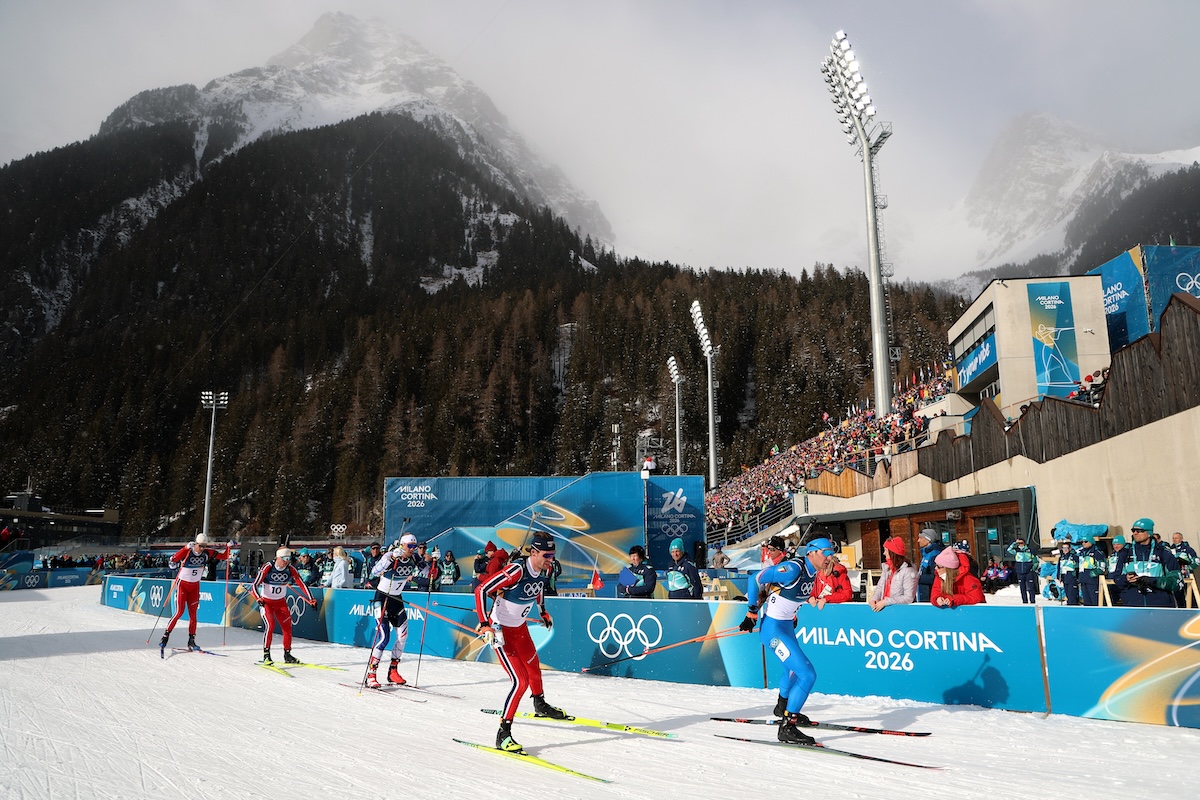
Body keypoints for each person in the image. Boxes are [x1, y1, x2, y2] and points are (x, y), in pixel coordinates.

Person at [738, 537, 838, 745]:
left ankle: (782, 708)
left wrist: (793, 615)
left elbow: (790, 597)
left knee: (792, 671)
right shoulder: (793, 569)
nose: (829, 558)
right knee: (807, 674)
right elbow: (755, 578)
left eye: (831, 554)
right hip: (773, 631)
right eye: (826, 553)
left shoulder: (813, 572)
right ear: (811, 552)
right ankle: (787, 727)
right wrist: (751, 612)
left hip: (785, 627)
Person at [474, 534, 568, 754]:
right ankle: (503, 734)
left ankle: (539, 704)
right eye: (546, 555)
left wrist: (543, 611)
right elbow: (481, 590)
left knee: (534, 668)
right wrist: (485, 624)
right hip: (501, 631)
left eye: (552, 555)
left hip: (520, 628)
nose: (550, 559)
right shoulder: (517, 570)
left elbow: (539, 587)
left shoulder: (544, 568)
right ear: (533, 553)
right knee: (520, 681)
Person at [365, 534, 422, 688]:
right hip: (382, 598)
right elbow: (374, 572)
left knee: (403, 636)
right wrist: (390, 559)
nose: (412, 549)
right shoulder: (390, 555)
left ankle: (393, 671)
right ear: (402, 545)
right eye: (410, 546)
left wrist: (435, 560)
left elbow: (429, 572)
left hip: (396, 600)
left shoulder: (414, 558)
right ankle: (371, 674)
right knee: (384, 638)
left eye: (414, 546)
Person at [159, 534, 232, 651]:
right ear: (195, 544)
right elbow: (173, 559)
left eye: (204, 546)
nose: (202, 548)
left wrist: (229, 547)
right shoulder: (189, 551)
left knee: (193, 615)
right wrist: (185, 548)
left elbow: (224, 556)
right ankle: (165, 636)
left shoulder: (207, 553)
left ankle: (191, 641)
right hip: (183, 585)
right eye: (200, 546)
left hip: (195, 586)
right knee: (179, 612)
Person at [251, 547, 317, 664]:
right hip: (267, 603)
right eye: (284, 558)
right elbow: (255, 585)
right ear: (278, 557)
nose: (286, 561)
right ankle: (266, 655)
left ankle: (287, 654)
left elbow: (301, 584)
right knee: (270, 625)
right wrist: (258, 598)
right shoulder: (268, 567)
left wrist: (311, 599)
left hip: (281, 603)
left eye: (288, 559)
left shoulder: (290, 569)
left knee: (287, 628)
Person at [1109, 518, 1180, 608]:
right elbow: (1116, 578)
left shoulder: (1163, 553)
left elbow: (1177, 581)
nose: (1135, 533)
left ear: (1149, 533)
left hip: (1159, 604)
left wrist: (1153, 581)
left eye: (1139, 531)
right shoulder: (1125, 553)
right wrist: (1126, 578)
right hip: (1133, 604)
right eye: (1133, 530)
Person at [867, 535, 916, 611]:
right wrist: (874, 599)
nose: (884, 553)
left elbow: (908, 598)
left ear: (893, 553)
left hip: (900, 611)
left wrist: (886, 601)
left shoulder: (908, 571)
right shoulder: (887, 568)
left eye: (886, 550)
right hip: (884, 610)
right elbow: (880, 587)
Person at [1076, 535, 1106, 607]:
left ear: (1091, 542)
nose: (1083, 543)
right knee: (1087, 603)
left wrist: (1093, 573)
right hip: (1083, 581)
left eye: (1086, 542)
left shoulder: (1097, 553)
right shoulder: (1081, 553)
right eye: (1082, 542)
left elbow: (1102, 567)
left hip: (1092, 582)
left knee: (1095, 602)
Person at [915, 529, 945, 603]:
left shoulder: (934, 554)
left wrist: (917, 578)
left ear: (928, 540)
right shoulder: (927, 553)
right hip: (924, 592)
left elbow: (935, 577)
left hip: (930, 594)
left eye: (921, 538)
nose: (918, 540)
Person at [1006, 536, 1038, 604]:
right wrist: (1014, 542)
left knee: (1031, 587)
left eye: (1021, 543)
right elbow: (1009, 549)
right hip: (1020, 571)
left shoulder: (1029, 550)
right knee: (1022, 588)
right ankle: (1024, 601)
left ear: (1024, 543)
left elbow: (1035, 560)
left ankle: (1032, 601)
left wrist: (1033, 568)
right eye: (1019, 543)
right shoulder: (1017, 551)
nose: (1020, 544)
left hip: (1029, 571)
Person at [1056, 538, 1080, 605]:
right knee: (1068, 595)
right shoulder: (1061, 558)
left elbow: (1078, 568)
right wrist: (1059, 577)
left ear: (1070, 549)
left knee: (1072, 596)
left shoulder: (1074, 557)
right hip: (1065, 579)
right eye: (1063, 548)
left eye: (1066, 548)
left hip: (1072, 579)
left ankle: (1073, 605)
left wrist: (1078, 578)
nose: (1065, 549)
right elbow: (1059, 568)